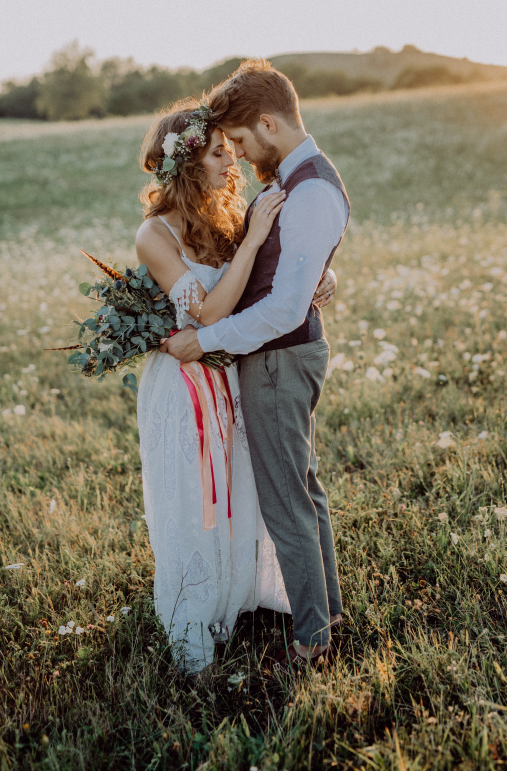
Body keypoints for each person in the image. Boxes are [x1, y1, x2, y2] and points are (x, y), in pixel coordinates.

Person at [135, 98, 336, 673]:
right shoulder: (156, 236)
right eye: (221, 154)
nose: (234, 164)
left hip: (229, 369)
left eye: (233, 151)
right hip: (186, 380)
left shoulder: (228, 218)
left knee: (246, 484)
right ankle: (199, 605)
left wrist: (324, 276)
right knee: (197, 494)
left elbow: (281, 267)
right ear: (188, 162)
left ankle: (243, 592)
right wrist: (251, 243)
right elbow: (207, 315)